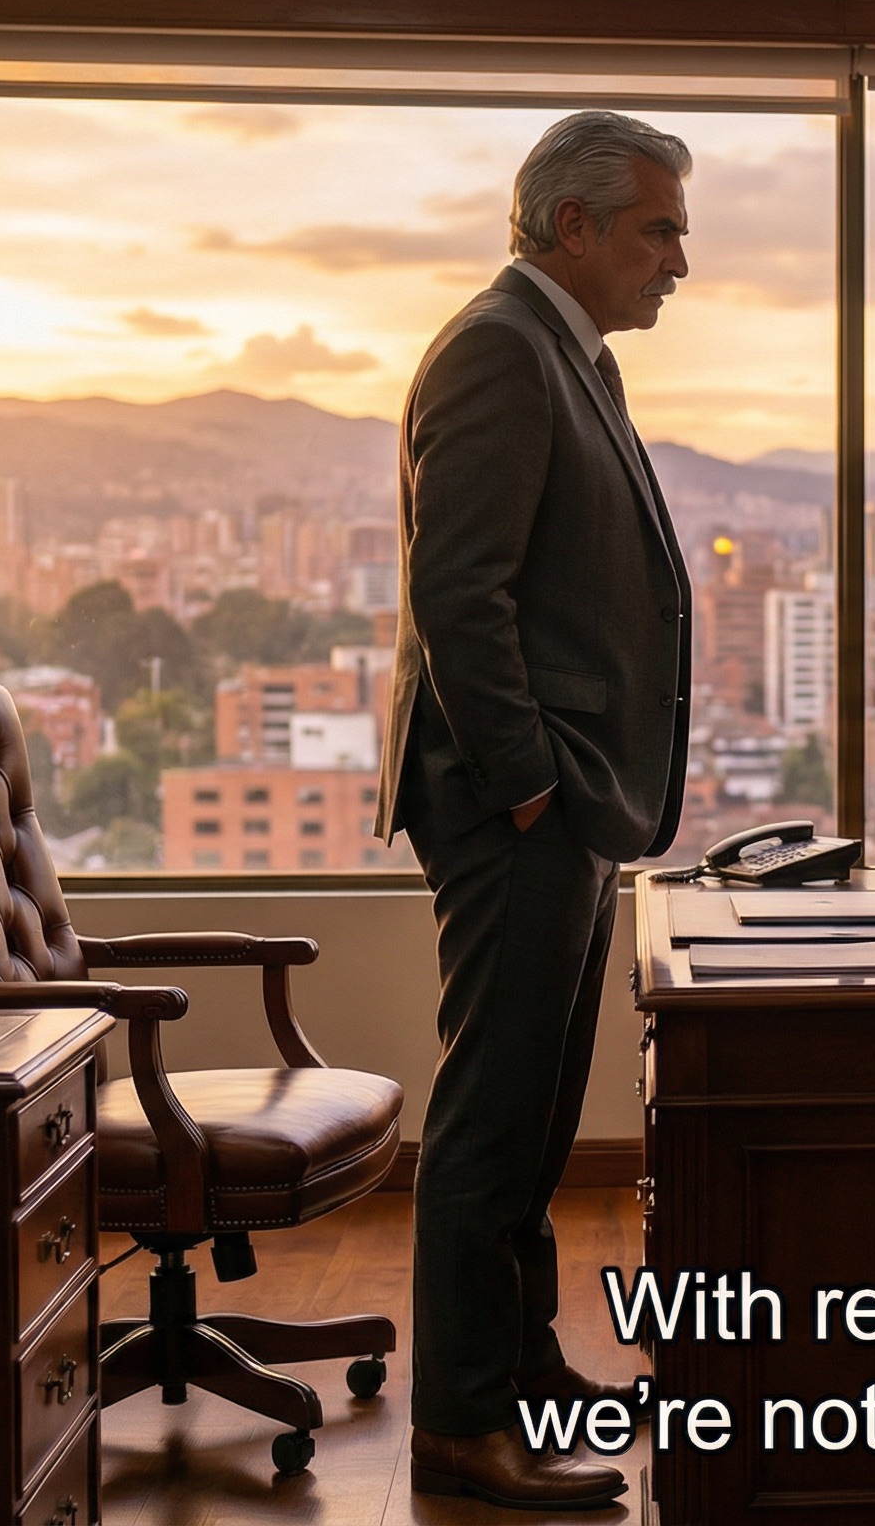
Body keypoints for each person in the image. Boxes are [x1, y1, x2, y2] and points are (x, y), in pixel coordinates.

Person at [373, 110, 696, 1511]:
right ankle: (460, 1425)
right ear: (574, 226)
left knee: (540, 1114)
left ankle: (523, 1371)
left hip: (568, 804)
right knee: (494, 1124)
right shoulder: (503, 348)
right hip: (524, 807)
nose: (679, 259)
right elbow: (464, 594)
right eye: (659, 228)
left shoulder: (572, 351)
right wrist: (524, 790)